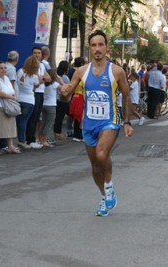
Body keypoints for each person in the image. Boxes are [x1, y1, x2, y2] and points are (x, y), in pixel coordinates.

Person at [61, 30, 134, 216]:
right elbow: (66, 96)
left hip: (109, 121)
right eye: (94, 45)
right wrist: (63, 92)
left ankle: (109, 186)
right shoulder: (81, 71)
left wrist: (127, 122)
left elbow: (126, 96)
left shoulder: (116, 71)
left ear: (106, 47)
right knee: (94, 165)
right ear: (89, 48)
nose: (97, 49)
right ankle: (103, 197)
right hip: (88, 123)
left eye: (101, 45)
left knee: (102, 155)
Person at [0, 61, 21, 155]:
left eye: (5, 68)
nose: (3, 70)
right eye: (1, 68)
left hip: (8, 105)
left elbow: (11, 90)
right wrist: (11, 97)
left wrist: (14, 95)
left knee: (9, 127)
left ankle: (10, 146)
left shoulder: (6, 78)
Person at [25, 47, 51, 149]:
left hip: (41, 92)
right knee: (32, 117)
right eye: (35, 53)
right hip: (34, 92)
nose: (37, 55)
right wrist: (41, 79)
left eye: (39, 53)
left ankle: (33, 137)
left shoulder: (42, 66)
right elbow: (38, 79)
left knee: (36, 117)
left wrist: (42, 78)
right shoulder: (31, 66)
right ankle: (29, 139)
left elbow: (48, 78)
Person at [16, 56, 42, 149]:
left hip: (19, 98)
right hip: (29, 100)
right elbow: (37, 84)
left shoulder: (20, 71)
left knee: (19, 121)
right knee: (25, 121)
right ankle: (22, 140)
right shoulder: (34, 76)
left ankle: (20, 138)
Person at [0, 51, 19, 151]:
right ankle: (4, 144)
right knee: (7, 122)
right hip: (10, 99)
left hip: (8, 98)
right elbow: (11, 84)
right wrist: (13, 97)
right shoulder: (11, 69)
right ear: (17, 59)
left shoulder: (8, 67)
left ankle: (5, 144)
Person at [38, 69, 60, 147]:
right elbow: (64, 88)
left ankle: (40, 140)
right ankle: (44, 141)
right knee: (49, 124)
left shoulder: (44, 84)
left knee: (43, 123)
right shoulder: (54, 84)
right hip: (51, 105)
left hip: (44, 104)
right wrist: (60, 79)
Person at [53, 60, 70, 141]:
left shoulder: (55, 76)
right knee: (60, 116)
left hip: (55, 98)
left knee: (58, 116)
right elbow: (68, 87)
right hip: (62, 98)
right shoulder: (65, 77)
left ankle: (57, 132)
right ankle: (58, 133)